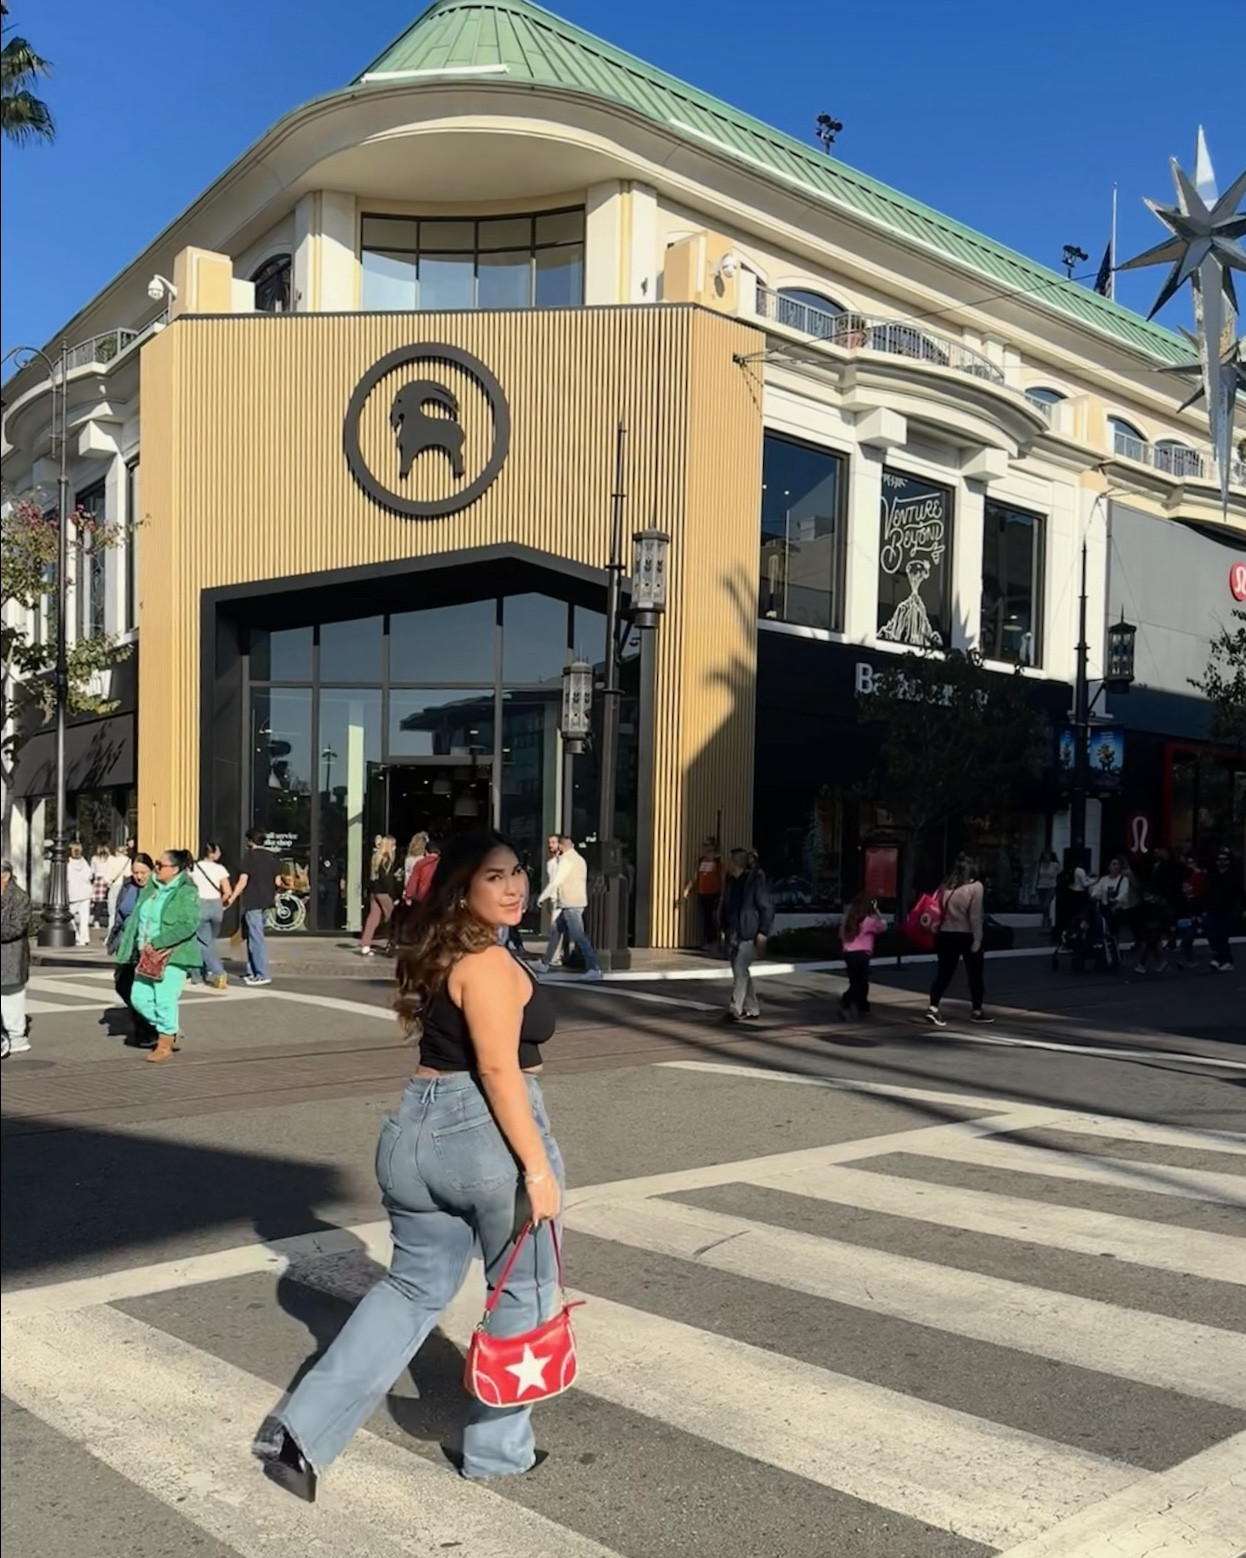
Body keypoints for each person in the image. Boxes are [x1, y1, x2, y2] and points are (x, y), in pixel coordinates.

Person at [254, 831, 565, 1501]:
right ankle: (497, 1452)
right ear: (462, 889)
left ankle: (301, 1436)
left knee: (410, 1289)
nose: (514, 885)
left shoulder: (441, 951)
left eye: (517, 871)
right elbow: (497, 1070)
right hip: (485, 1135)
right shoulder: (487, 962)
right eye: (494, 877)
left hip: (413, 1131)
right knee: (523, 1291)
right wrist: (538, 1171)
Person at [115, 849, 202, 1063]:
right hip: (146, 955)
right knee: (138, 998)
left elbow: (188, 924)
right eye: (156, 863)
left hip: (172, 954)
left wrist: (158, 942)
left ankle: (165, 1042)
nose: (156, 868)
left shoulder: (186, 891)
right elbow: (136, 919)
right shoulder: (152, 887)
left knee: (164, 999)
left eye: (160, 865)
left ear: (175, 870)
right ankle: (170, 1029)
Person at [926, 855, 992, 1027]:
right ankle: (976, 1010)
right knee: (975, 975)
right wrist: (978, 939)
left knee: (944, 973)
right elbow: (975, 916)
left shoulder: (945, 886)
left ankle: (933, 1007)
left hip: (945, 933)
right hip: (966, 934)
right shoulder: (976, 887)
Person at [534, 836, 602, 979]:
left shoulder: (566, 860)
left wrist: (542, 897)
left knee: (579, 936)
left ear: (561, 846)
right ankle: (545, 963)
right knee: (556, 930)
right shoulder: (580, 859)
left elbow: (556, 881)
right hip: (575, 902)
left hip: (570, 904)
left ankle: (594, 968)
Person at [108, 853, 158, 1047]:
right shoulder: (128, 886)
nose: (139, 876)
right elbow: (119, 915)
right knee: (122, 983)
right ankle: (149, 1024)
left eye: (143, 872)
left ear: (151, 870)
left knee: (140, 989)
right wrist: (113, 939)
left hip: (144, 945)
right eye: (136, 872)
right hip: (125, 943)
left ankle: (147, 1030)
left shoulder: (156, 889)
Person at [720, 848, 773, 1023]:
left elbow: (766, 907)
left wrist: (763, 932)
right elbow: (726, 904)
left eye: (729, 861)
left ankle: (735, 1008)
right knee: (741, 971)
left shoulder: (754, 881)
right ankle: (752, 1008)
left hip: (748, 932)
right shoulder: (730, 881)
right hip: (733, 931)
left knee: (740, 968)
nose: (726, 864)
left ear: (735, 863)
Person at [225, 827, 283, 987]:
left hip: (253, 901)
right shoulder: (273, 857)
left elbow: (243, 881)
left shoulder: (249, 857)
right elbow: (278, 882)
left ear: (250, 841)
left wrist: (232, 897)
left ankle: (262, 974)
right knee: (254, 937)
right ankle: (253, 972)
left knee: (256, 939)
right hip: (267, 902)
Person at [837, 891, 888, 1020]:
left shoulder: (848, 920)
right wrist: (878, 912)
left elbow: (840, 935)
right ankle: (846, 1002)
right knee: (860, 983)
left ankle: (863, 1007)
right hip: (862, 954)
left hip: (848, 953)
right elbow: (883, 926)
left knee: (857, 982)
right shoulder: (868, 921)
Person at [1, 860, 33, 1057]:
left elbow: (17, 927)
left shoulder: (19, 897)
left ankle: (17, 1037)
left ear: (5, 876)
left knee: (11, 999)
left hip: (11, 956)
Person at [191, 843, 231, 989]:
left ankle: (217, 972)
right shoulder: (220, 869)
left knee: (202, 941)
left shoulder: (194, 868)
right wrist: (221, 902)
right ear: (212, 853)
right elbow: (227, 891)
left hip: (200, 903)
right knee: (208, 941)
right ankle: (198, 974)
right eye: (218, 851)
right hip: (216, 905)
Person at [360, 836, 401, 956]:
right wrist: (394, 897)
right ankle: (392, 943)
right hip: (384, 893)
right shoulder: (387, 861)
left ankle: (365, 944)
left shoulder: (376, 859)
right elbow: (388, 881)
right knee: (393, 918)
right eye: (393, 845)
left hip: (374, 892)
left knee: (373, 918)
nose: (395, 848)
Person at [1204, 849, 1242, 971]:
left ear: (1228, 861)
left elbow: (1240, 893)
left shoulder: (1233, 876)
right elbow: (1208, 893)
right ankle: (1219, 957)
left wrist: (1241, 909)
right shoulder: (1212, 876)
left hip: (1229, 910)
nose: (1222, 862)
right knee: (1212, 933)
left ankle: (1227, 961)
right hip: (1214, 909)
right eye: (1219, 859)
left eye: (1224, 859)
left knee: (1223, 935)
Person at [694, 836, 723, 950]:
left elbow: (722, 877)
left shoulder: (717, 861)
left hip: (713, 893)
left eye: (707, 845)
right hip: (703, 892)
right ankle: (708, 940)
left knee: (713, 917)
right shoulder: (701, 860)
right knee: (705, 917)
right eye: (704, 845)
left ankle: (714, 941)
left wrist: (723, 893)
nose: (704, 848)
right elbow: (696, 876)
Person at [66, 842, 95, 946]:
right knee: (84, 917)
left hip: (73, 893)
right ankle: (84, 938)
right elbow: (89, 876)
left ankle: (77, 936)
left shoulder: (68, 864)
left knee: (69, 916)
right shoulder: (84, 862)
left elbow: (67, 878)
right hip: (85, 892)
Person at [402, 838, 441, 906]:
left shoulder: (420, 864)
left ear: (426, 852)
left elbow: (413, 882)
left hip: (422, 898)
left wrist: (408, 896)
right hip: (438, 899)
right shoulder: (442, 864)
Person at [1034, 850, 1059, 930]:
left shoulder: (1055, 865)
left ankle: (1045, 921)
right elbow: (1037, 875)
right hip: (1041, 887)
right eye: (1045, 855)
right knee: (1042, 906)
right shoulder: (1040, 864)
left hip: (1050, 887)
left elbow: (1058, 874)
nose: (1047, 856)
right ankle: (1046, 921)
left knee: (1046, 905)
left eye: (1048, 854)